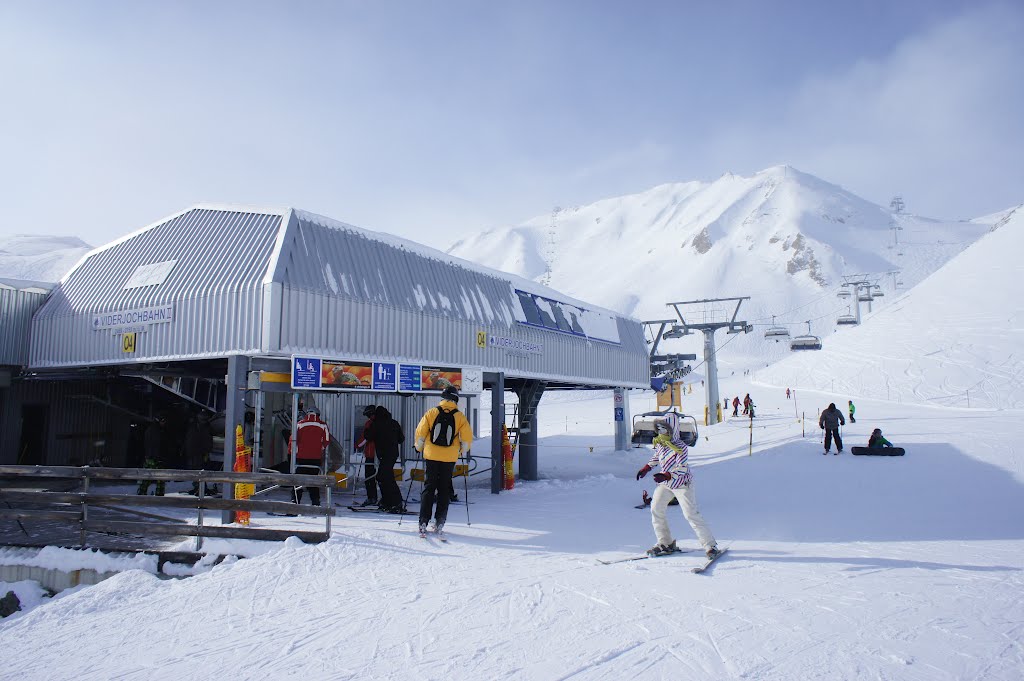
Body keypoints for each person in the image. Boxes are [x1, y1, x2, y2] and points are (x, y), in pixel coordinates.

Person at [636, 413, 720, 559]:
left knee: (690, 514)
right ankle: (665, 543)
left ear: (672, 429)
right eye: (659, 428)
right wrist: (647, 468)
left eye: (664, 428)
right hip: (666, 484)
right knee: (656, 509)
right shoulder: (661, 443)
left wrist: (667, 475)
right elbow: (656, 458)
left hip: (682, 484)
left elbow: (681, 467)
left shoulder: (681, 446)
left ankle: (710, 545)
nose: (661, 431)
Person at [414, 386, 472, 537]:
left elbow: (420, 432)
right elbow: (466, 440)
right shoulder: (460, 416)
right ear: (455, 399)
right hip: (449, 458)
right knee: (444, 489)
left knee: (429, 486)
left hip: (431, 455)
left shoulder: (432, 412)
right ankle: (440, 521)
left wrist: (419, 447)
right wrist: (460, 451)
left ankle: (423, 521)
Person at [364, 405, 406, 513]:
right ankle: (388, 501)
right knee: (383, 477)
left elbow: (368, 436)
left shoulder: (376, 424)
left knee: (386, 478)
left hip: (384, 454)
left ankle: (395, 502)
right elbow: (401, 439)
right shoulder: (394, 423)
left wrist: (367, 429)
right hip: (392, 454)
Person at [293, 407, 330, 505]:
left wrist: (298, 451)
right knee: (313, 481)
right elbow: (326, 441)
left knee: (298, 481)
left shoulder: (300, 424)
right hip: (316, 458)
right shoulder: (323, 425)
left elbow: (294, 440)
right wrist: (319, 449)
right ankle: (315, 502)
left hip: (301, 457)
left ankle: (295, 502)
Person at [354, 405, 380, 507]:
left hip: (371, 453)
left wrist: (357, 445)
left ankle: (372, 497)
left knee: (369, 477)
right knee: (381, 477)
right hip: (381, 454)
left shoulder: (369, 424)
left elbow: (364, 438)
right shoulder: (382, 422)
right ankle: (381, 497)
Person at [138, 414, 167, 496]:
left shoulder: (154, 429)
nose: (164, 423)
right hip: (155, 457)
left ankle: (143, 493)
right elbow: (154, 445)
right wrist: (155, 456)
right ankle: (158, 495)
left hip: (153, 457)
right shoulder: (155, 431)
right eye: (163, 421)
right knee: (157, 478)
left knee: (151, 477)